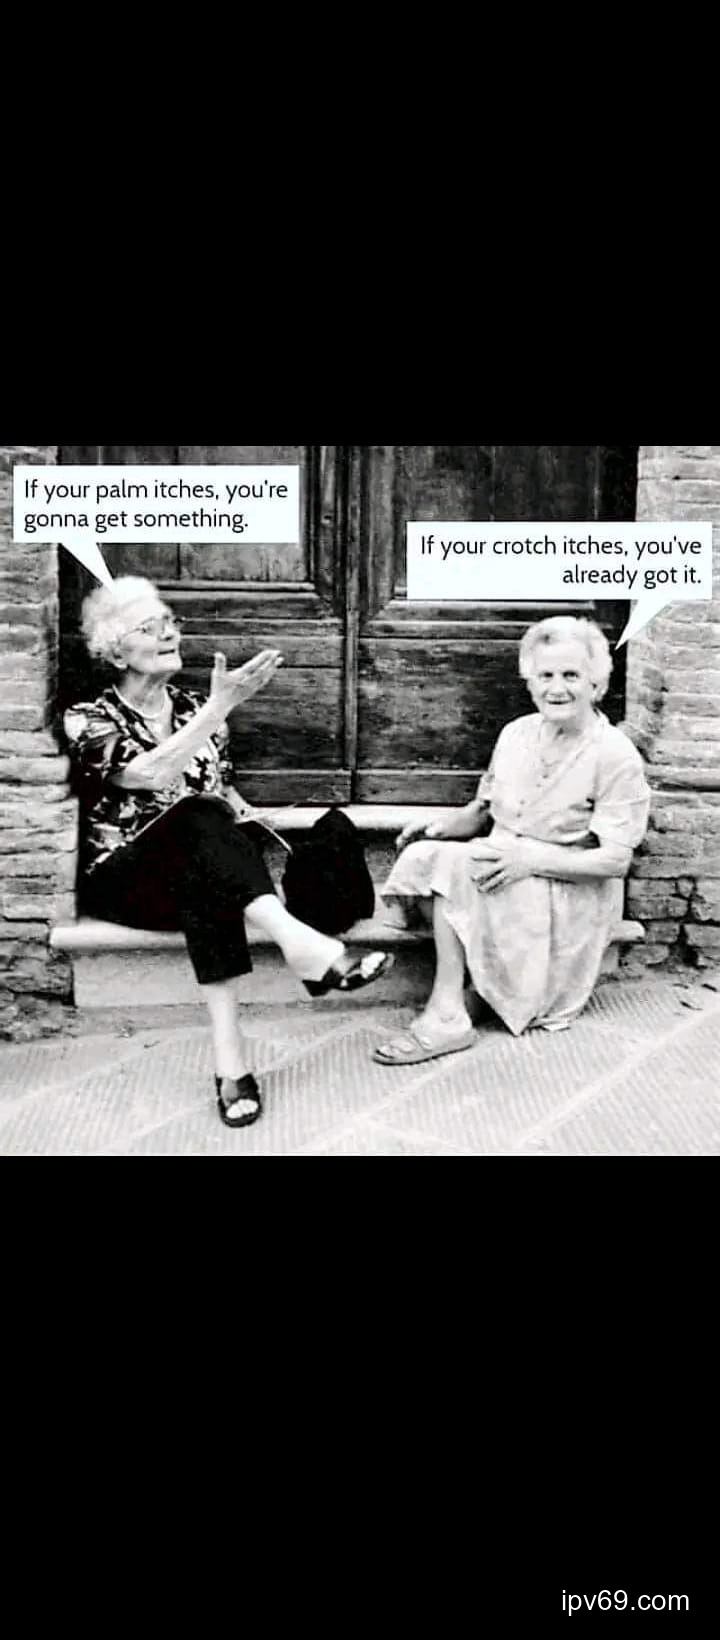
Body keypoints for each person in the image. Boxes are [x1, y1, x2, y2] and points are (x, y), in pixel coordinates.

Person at [63, 577, 392, 1128]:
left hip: (193, 876)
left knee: (209, 854)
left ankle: (231, 1064)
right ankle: (303, 947)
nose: (169, 633)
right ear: (116, 652)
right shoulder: (89, 718)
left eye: (170, 623)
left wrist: (252, 821)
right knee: (198, 817)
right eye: (150, 627)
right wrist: (219, 708)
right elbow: (149, 774)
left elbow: (223, 791)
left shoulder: (195, 707)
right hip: (125, 881)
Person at [373, 616, 650, 1064]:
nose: (556, 689)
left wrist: (529, 860)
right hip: (501, 864)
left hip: (565, 887)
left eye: (571, 675)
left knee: (455, 870)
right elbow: (482, 811)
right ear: (530, 681)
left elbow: (614, 862)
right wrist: (439, 826)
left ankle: (448, 1014)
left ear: (597, 684)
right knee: (425, 856)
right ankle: (482, 988)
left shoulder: (615, 755)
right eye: (545, 675)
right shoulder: (516, 733)